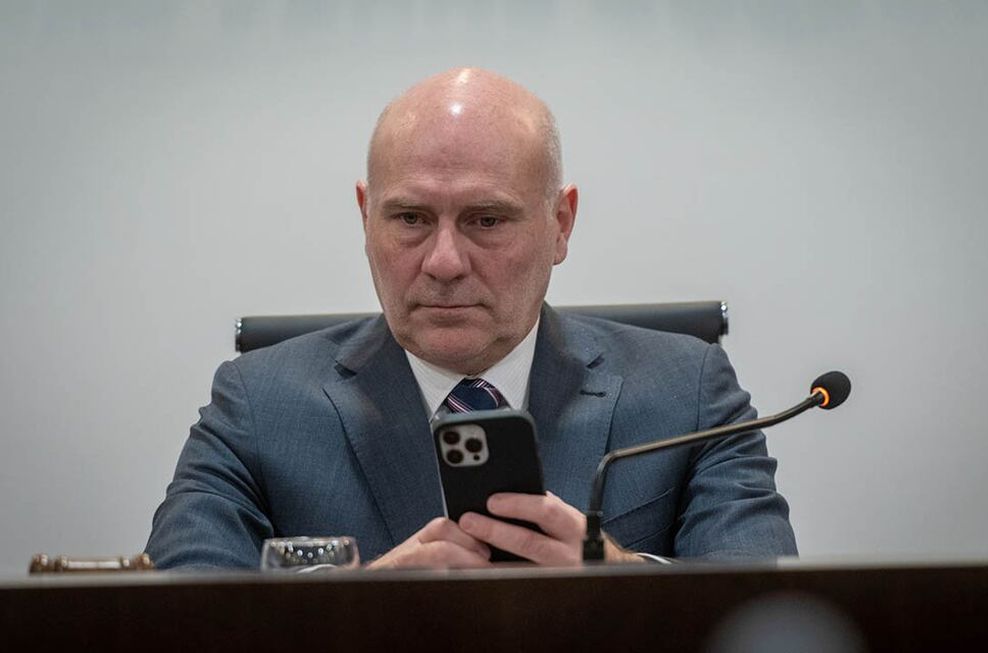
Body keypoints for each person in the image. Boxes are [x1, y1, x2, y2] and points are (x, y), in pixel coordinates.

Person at [146, 67, 796, 570]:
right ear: (365, 217)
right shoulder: (258, 404)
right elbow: (174, 615)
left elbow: (760, 605)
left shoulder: (690, 393)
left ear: (560, 224)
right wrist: (355, 604)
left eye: (486, 220)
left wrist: (617, 574)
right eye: (410, 219)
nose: (445, 261)